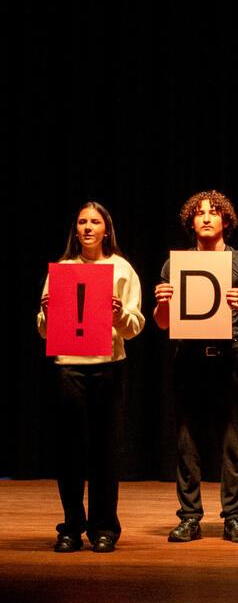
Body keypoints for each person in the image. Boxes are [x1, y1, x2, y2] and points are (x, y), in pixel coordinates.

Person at [153, 190, 238, 543]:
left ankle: (233, 517)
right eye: (199, 213)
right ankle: (189, 517)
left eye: (213, 212)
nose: (205, 217)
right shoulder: (176, 264)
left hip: (230, 356)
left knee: (233, 442)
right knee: (187, 442)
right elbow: (163, 323)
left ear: (225, 221)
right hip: (189, 358)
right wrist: (163, 302)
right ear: (191, 222)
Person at [36, 202, 144, 552]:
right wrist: (48, 314)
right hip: (69, 367)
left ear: (106, 230)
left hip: (108, 366)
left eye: (94, 221)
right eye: (82, 221)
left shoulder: (121, 268)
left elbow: (135, 326)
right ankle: (70, 526)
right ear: (76, 229)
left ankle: (104, 528)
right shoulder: (63, 269)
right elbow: (42, 329)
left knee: (105, 452)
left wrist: (117, 317)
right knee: (69, 451)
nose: (87, 227)